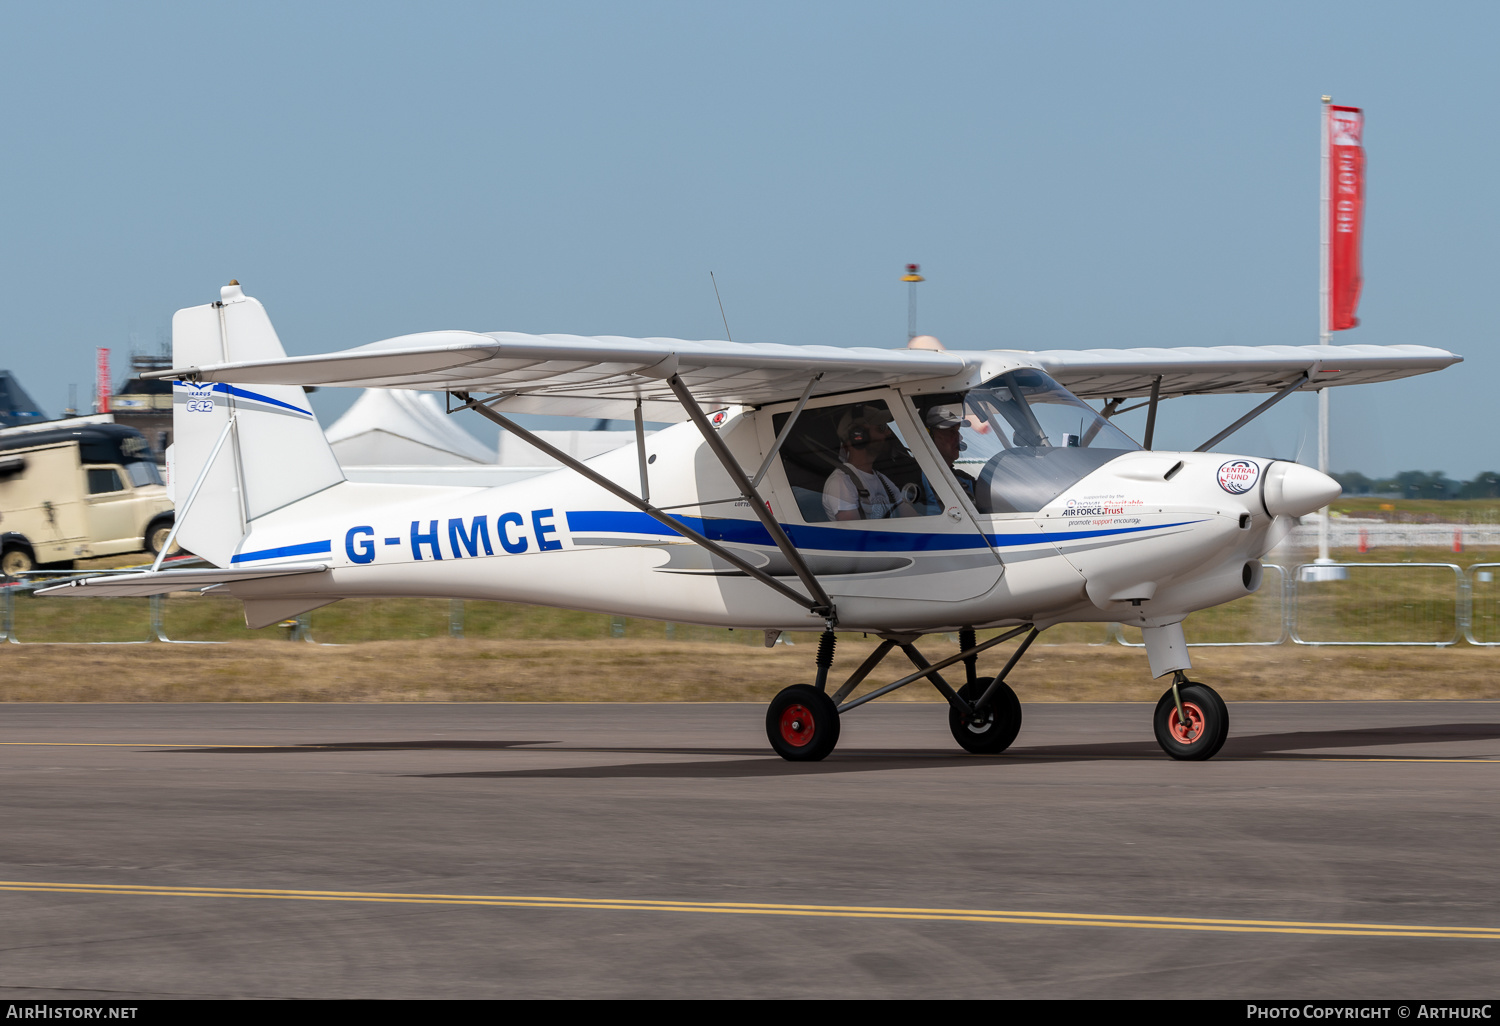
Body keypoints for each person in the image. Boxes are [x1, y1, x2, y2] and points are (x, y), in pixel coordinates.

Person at [821, 406, 916, 521]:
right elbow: (856, 535)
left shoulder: (883, 481)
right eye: (881, 428)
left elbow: (914, 520)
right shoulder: (842, 482)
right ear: (858, 436)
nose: (888, 432)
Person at [919, 398, 977, 512]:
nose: (959, 437)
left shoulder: (966, 480)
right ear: (927, 436)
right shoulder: (916, 479)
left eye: (957, 431)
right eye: (951, 431)